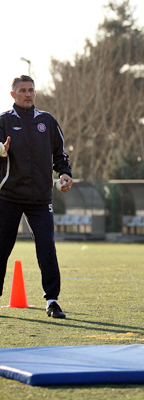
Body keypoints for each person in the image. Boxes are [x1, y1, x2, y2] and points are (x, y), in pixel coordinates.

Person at [0, 75, 73, 319]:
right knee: (1, 248)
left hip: (41, 198)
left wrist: (64, 174)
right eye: (22, 90)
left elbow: (60, 154)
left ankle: (52, 301)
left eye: (31, 90)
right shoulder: (3, 122)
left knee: (46, 248)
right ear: (13, 95)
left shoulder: (47, 121)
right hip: (8, 196)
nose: (28, 94)